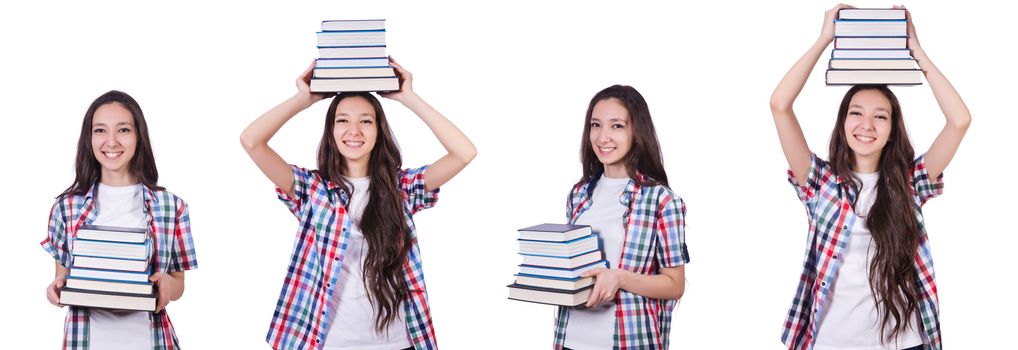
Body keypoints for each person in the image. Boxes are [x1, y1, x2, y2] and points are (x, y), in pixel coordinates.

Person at [769, 5, 971, 350]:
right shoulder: (820, 182)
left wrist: (916, 50)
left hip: (904, 343)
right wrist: (823, 40)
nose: (867, 125)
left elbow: (959, 120)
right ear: (843, 122)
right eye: (856, 113)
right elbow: (780, 104)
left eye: (880, 116)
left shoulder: (911, 182)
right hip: (833, 342)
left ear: (892, 130)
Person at [240, 58, 476, 350]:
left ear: (378, 131)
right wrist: (303, 99)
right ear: (331, 131)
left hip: (399, 342)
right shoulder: (312, 190)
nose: (354, 131)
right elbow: (251, 140)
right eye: (343, 121)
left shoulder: (401, 189)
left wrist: (409, 98)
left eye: (365, 121)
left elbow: (464, 153)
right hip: (330, 342)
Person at [42, 90, 198, 349]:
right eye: (100, 130)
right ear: (89, 138)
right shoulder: (66, 208)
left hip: (151, 341)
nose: (111, 142)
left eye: (123, 130)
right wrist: (57, 289)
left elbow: (178, 284)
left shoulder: (171, 207)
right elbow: (64, 279)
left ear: (138, 136)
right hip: (87, 341)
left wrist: (166, 285)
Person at [556, 85, 688, 350]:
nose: (603, 137)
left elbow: (675, 285)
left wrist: (619, 278)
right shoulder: (579, 194)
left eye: (616, 126)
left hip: (629, 340)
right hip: (571, 340)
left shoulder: (661, 200)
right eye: (596, 125)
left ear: (636, 132)